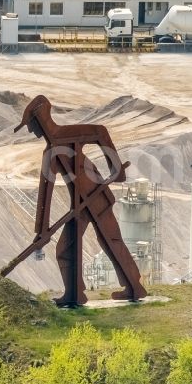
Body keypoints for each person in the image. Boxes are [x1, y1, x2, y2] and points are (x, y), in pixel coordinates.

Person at [14, 95, 147, 306]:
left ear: (41, 118)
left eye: (31, 124)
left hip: (97, 197)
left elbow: (100, 132)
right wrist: (42, 232)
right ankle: (76, 294)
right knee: (70, 249)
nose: (31, 130)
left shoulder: (68, 134)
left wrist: (116, 169)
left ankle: (133, 287)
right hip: (80, 205)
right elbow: (44, 196)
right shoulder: (50, 153)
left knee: (110, 242)